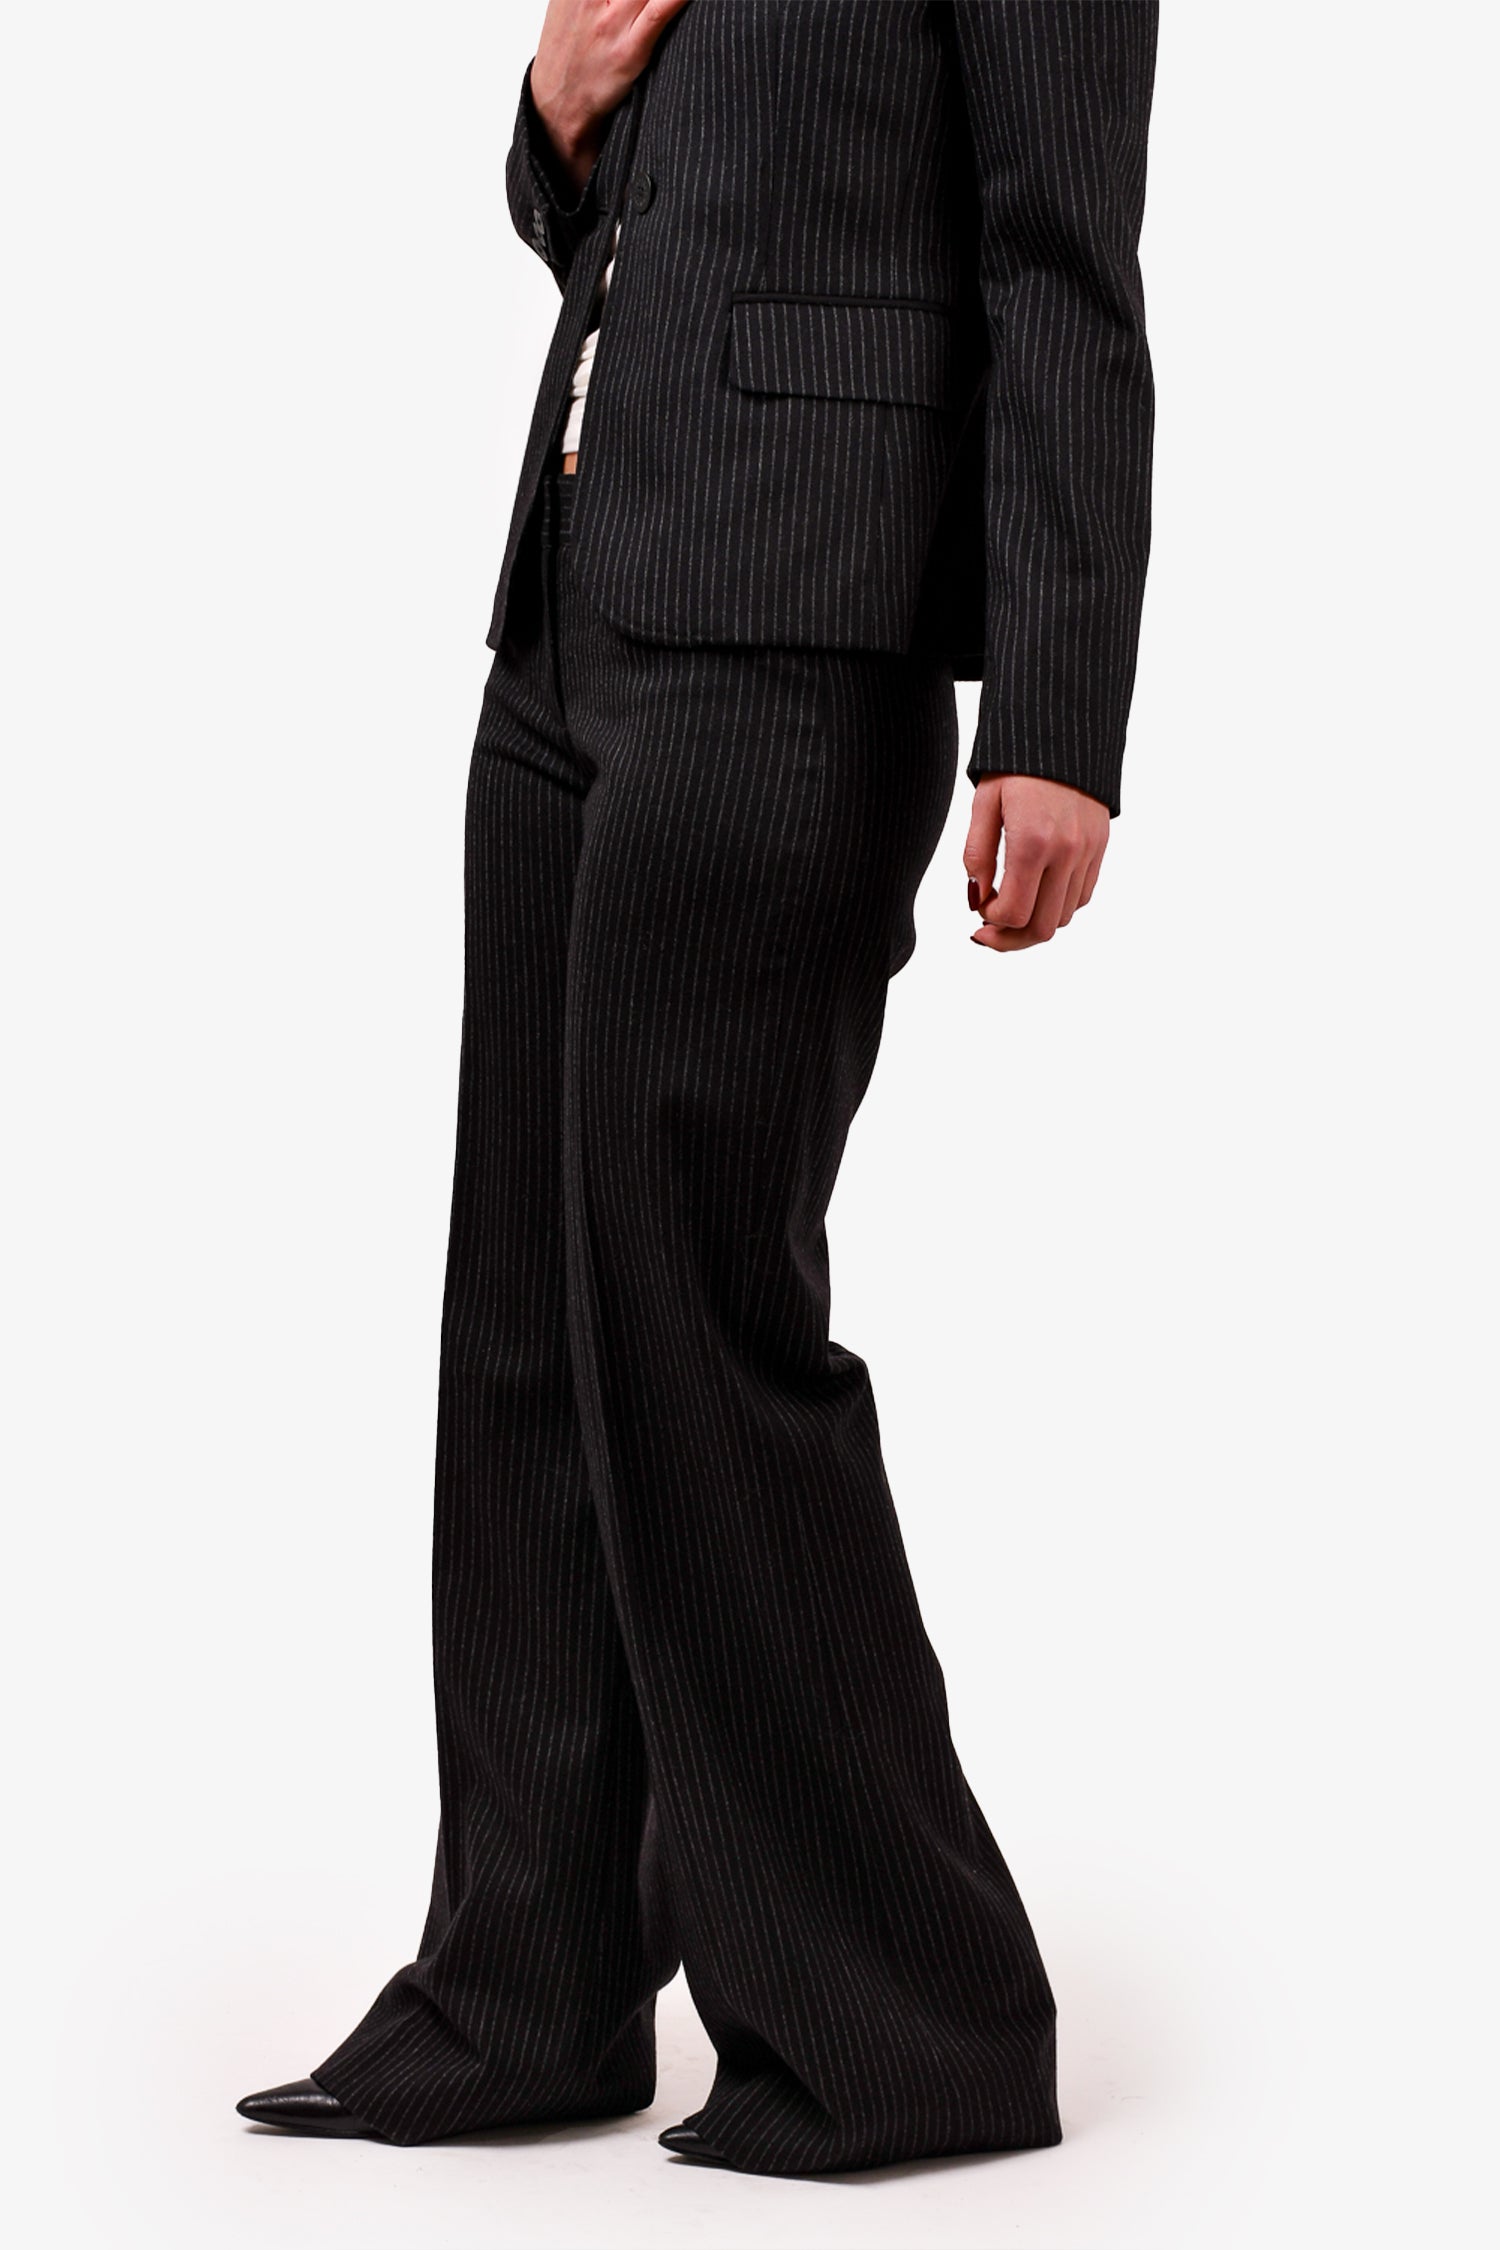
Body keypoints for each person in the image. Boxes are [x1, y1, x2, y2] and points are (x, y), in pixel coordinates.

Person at [238, 0, 1157, 2178]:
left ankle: (909, 2024)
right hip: (570, 609)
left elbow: (1061, 257)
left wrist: (1058, 713)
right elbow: (643, 205)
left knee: (695, 1314)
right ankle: (524, 1985)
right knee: (524, 1318)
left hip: (798, 624)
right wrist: (553, 122)